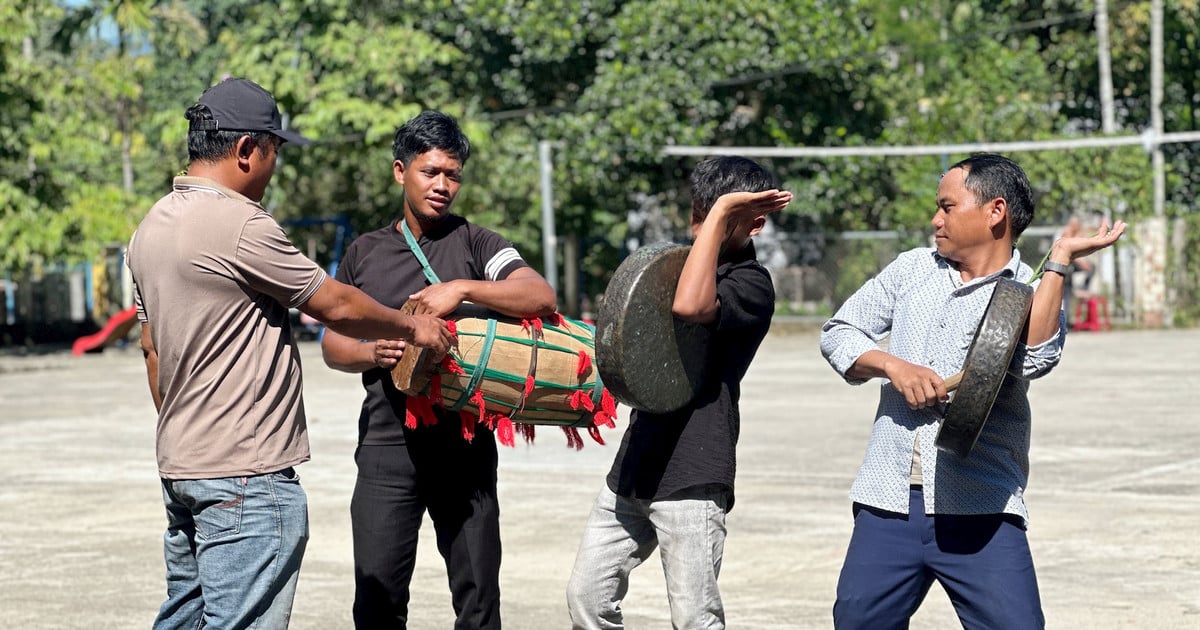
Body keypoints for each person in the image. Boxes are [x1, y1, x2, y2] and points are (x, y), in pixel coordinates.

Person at [127, 78, 454, 630]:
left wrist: (191, 429)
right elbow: (335, 304)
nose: (276, 166)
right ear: (247, 150)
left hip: (182, 466)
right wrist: (411, 326)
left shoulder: (150, 227)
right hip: (245, 479)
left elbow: (151, 349)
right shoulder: (239, 225)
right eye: (275, 150)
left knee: (184, 618)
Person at [819, 154, 1125, 629]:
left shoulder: (1027, 288)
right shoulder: (912, 269)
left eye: (946, 206)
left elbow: (1037, 359)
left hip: (982, 505)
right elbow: (839, 331)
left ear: (994, 211)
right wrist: (892, 366)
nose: (935, 219)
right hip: (889, 502)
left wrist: (1059, 259)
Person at [320, 110, 557, 630]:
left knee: (478, 603)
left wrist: (463, 288)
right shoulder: (365, 252)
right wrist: (372, 353)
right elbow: (333, 343)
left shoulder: (478, 244)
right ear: (400, 171)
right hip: (386, 449)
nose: (443, 185)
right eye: (431, 172)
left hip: (465, 451)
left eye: (453, 174)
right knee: (377, 602)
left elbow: (539, 295)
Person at [566, 156, 793, 629]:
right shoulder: (671, 266)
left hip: (694, 470)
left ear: (754, 224)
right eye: (698, 211)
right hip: (635, 464)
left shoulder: (751, 284)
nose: (698, 227)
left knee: (694, 618)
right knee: (587, 597)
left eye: (714, 218)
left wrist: (724, 211)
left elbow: (692, 305)